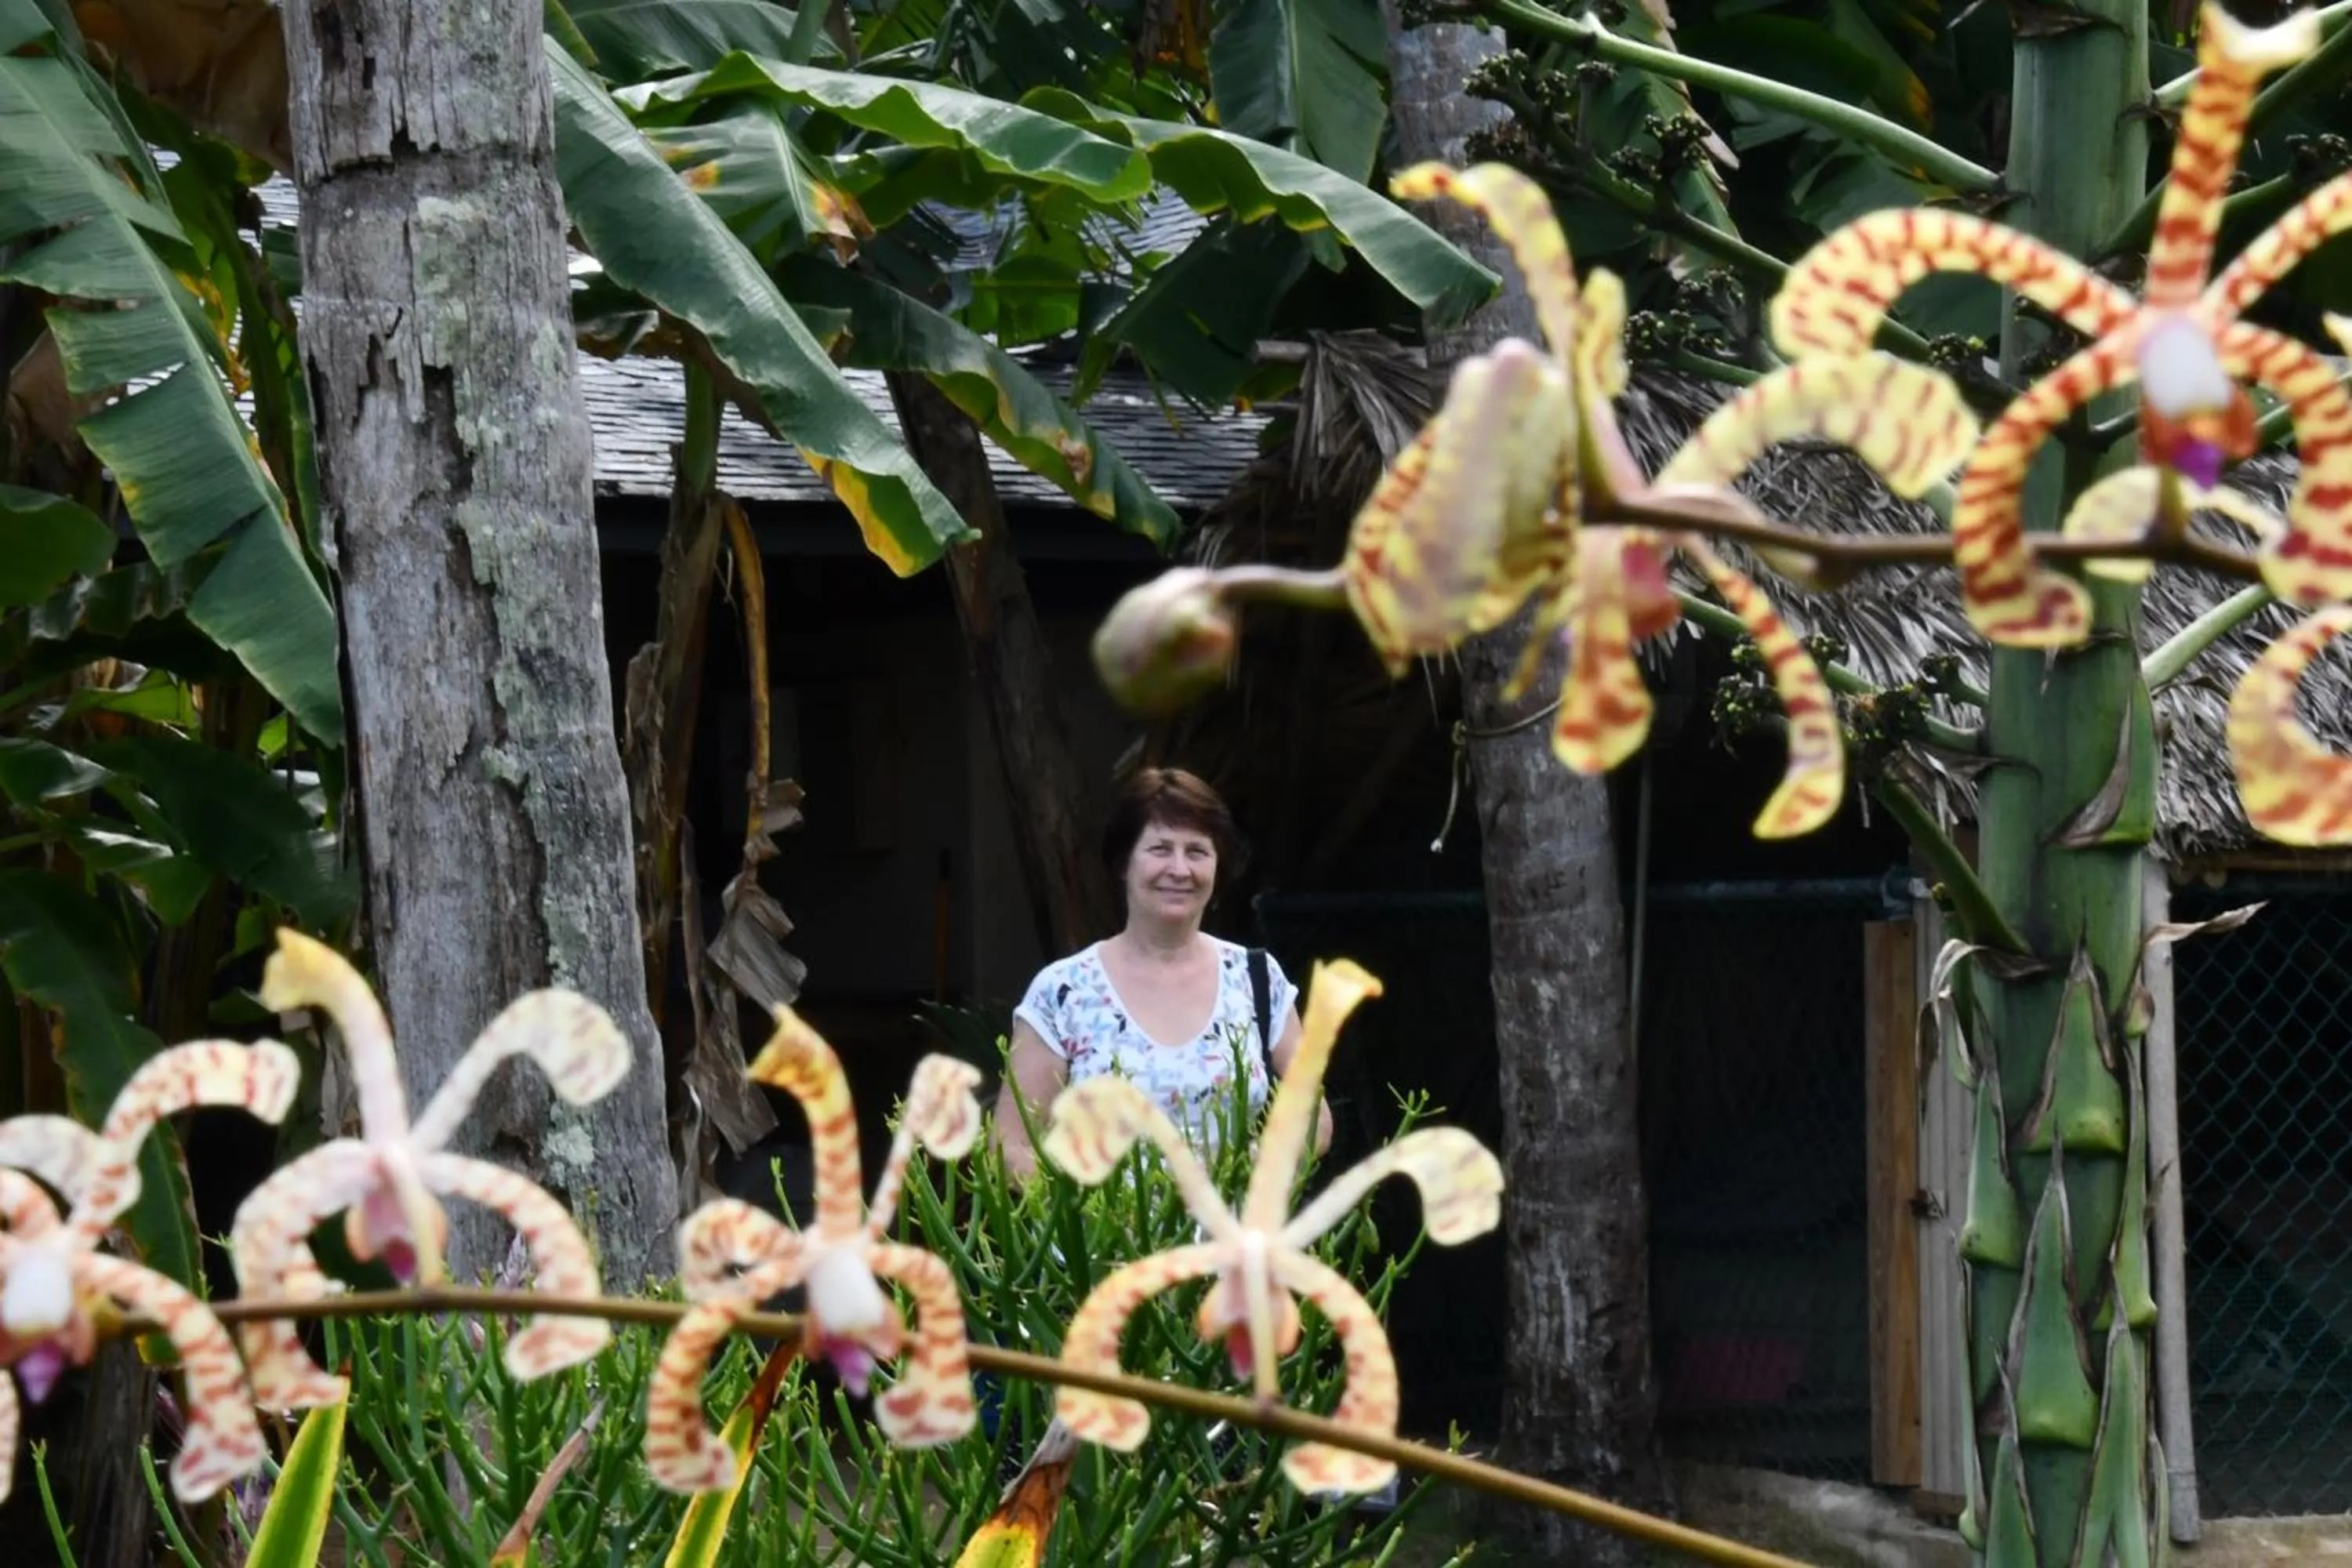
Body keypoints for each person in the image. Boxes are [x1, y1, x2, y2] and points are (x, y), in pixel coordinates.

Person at [993, 767, 1331, 1180]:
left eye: (1197, 851)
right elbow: (1008, 1147)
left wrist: (1251, 1171)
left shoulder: (1256, 978)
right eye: (1160, 849)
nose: (1179, 869)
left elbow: (1314, 1119)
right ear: (1123, 863)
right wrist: (1098, 1212)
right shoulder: (1064, 992)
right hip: (1106, 1244)